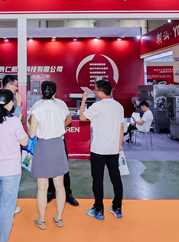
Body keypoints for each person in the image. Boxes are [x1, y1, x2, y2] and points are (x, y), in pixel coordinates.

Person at [0, 89, 28, 242]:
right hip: (10, 170)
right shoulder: (14, 122)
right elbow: (24, 142)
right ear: (10, 103)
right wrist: (19, 122)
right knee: (7, 208)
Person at [79, 80, 124, 220]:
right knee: (116, 178)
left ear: (100, 92)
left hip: (98, 150)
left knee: (98, 180)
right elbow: (121, 128)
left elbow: (82, 117)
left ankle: (98, 209)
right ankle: (117, 207)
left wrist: (83, 100)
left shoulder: (97, 106)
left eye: (95, 90)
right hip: (113, 149)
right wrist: (119, 144)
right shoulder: (118, 106)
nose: (95, 92)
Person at [28, 81, 70, 229]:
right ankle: (59, 217)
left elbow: (32, 134)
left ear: (41, 92)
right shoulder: (60, 109)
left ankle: (41, 220)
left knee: (42, 188)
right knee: (60, 186)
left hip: (44, 147)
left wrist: (28, 126)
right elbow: (64, 124)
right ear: (54, 93)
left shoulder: (37, 110)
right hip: (58, 145)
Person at [29, 92, 79, 207]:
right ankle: (51, 193)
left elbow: (68, 119)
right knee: (46, 171)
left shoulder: (60, 104)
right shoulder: (37, 105)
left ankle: (68, 194)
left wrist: (57, 129)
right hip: (44, 142)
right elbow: (31, 120)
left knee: (62, 171)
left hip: (58, 140)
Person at [2, 74, 23, 215]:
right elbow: (14, 121)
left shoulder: (1, 98)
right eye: (16, 85)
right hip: (8, 148)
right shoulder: (7, 100)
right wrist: (19, 104)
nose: (17, 88)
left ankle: (6, 204)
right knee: (10, 180)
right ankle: (10, 206)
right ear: (9, 85)